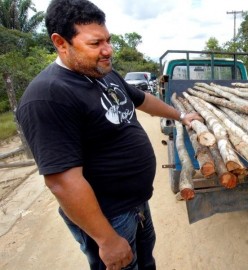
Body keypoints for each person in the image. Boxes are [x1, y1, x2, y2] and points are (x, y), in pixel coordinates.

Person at [16, 0, 201, 269]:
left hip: (136, 206)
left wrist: (181, 116)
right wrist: (107, 240)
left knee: (145, 263)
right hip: (108, 218)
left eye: (108, 40)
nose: (108, 50)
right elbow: (62, 182)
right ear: (60, 42)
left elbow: (141, 100)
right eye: (95, 43)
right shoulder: (47, 96)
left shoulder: (102, 73)